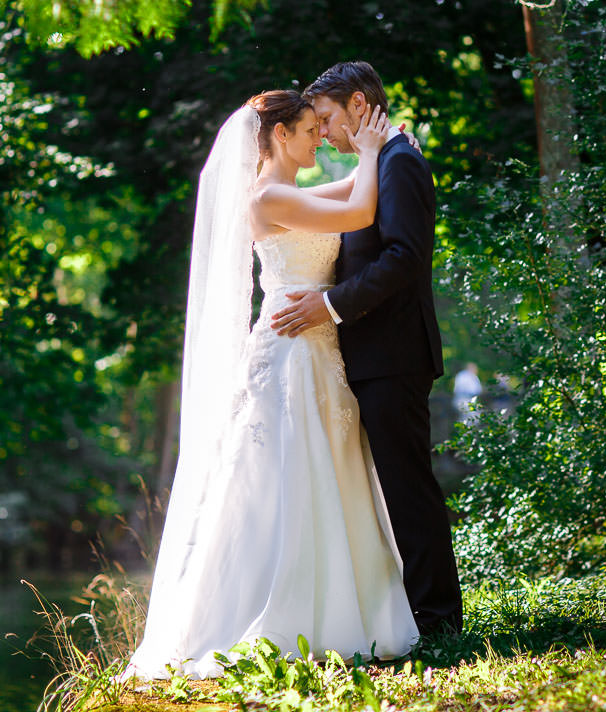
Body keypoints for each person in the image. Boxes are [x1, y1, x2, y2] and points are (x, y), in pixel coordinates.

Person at [123, 90, 418, 679]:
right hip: (291, 351)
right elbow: (360, 212)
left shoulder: (289, 193)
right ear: (280, 135)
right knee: (285, 475)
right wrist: (366, 152)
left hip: (317, 347)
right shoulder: (268, 194)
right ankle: (278, 616)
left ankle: (349, 607)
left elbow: (352, 195)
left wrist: (385, 153)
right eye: (309, 129)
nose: (317, 138)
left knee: (324, 471)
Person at [271, 61, 464, 637]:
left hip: (393, 353)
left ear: (359, 106)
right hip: (364, 356)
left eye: (327, 117)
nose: (323, 131)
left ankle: (438, 622)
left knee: (408, 490)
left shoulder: (400, 163)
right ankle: (403, 614)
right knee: (386, 491)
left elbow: (403, 258)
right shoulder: (381, 163)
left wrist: (328, 306)